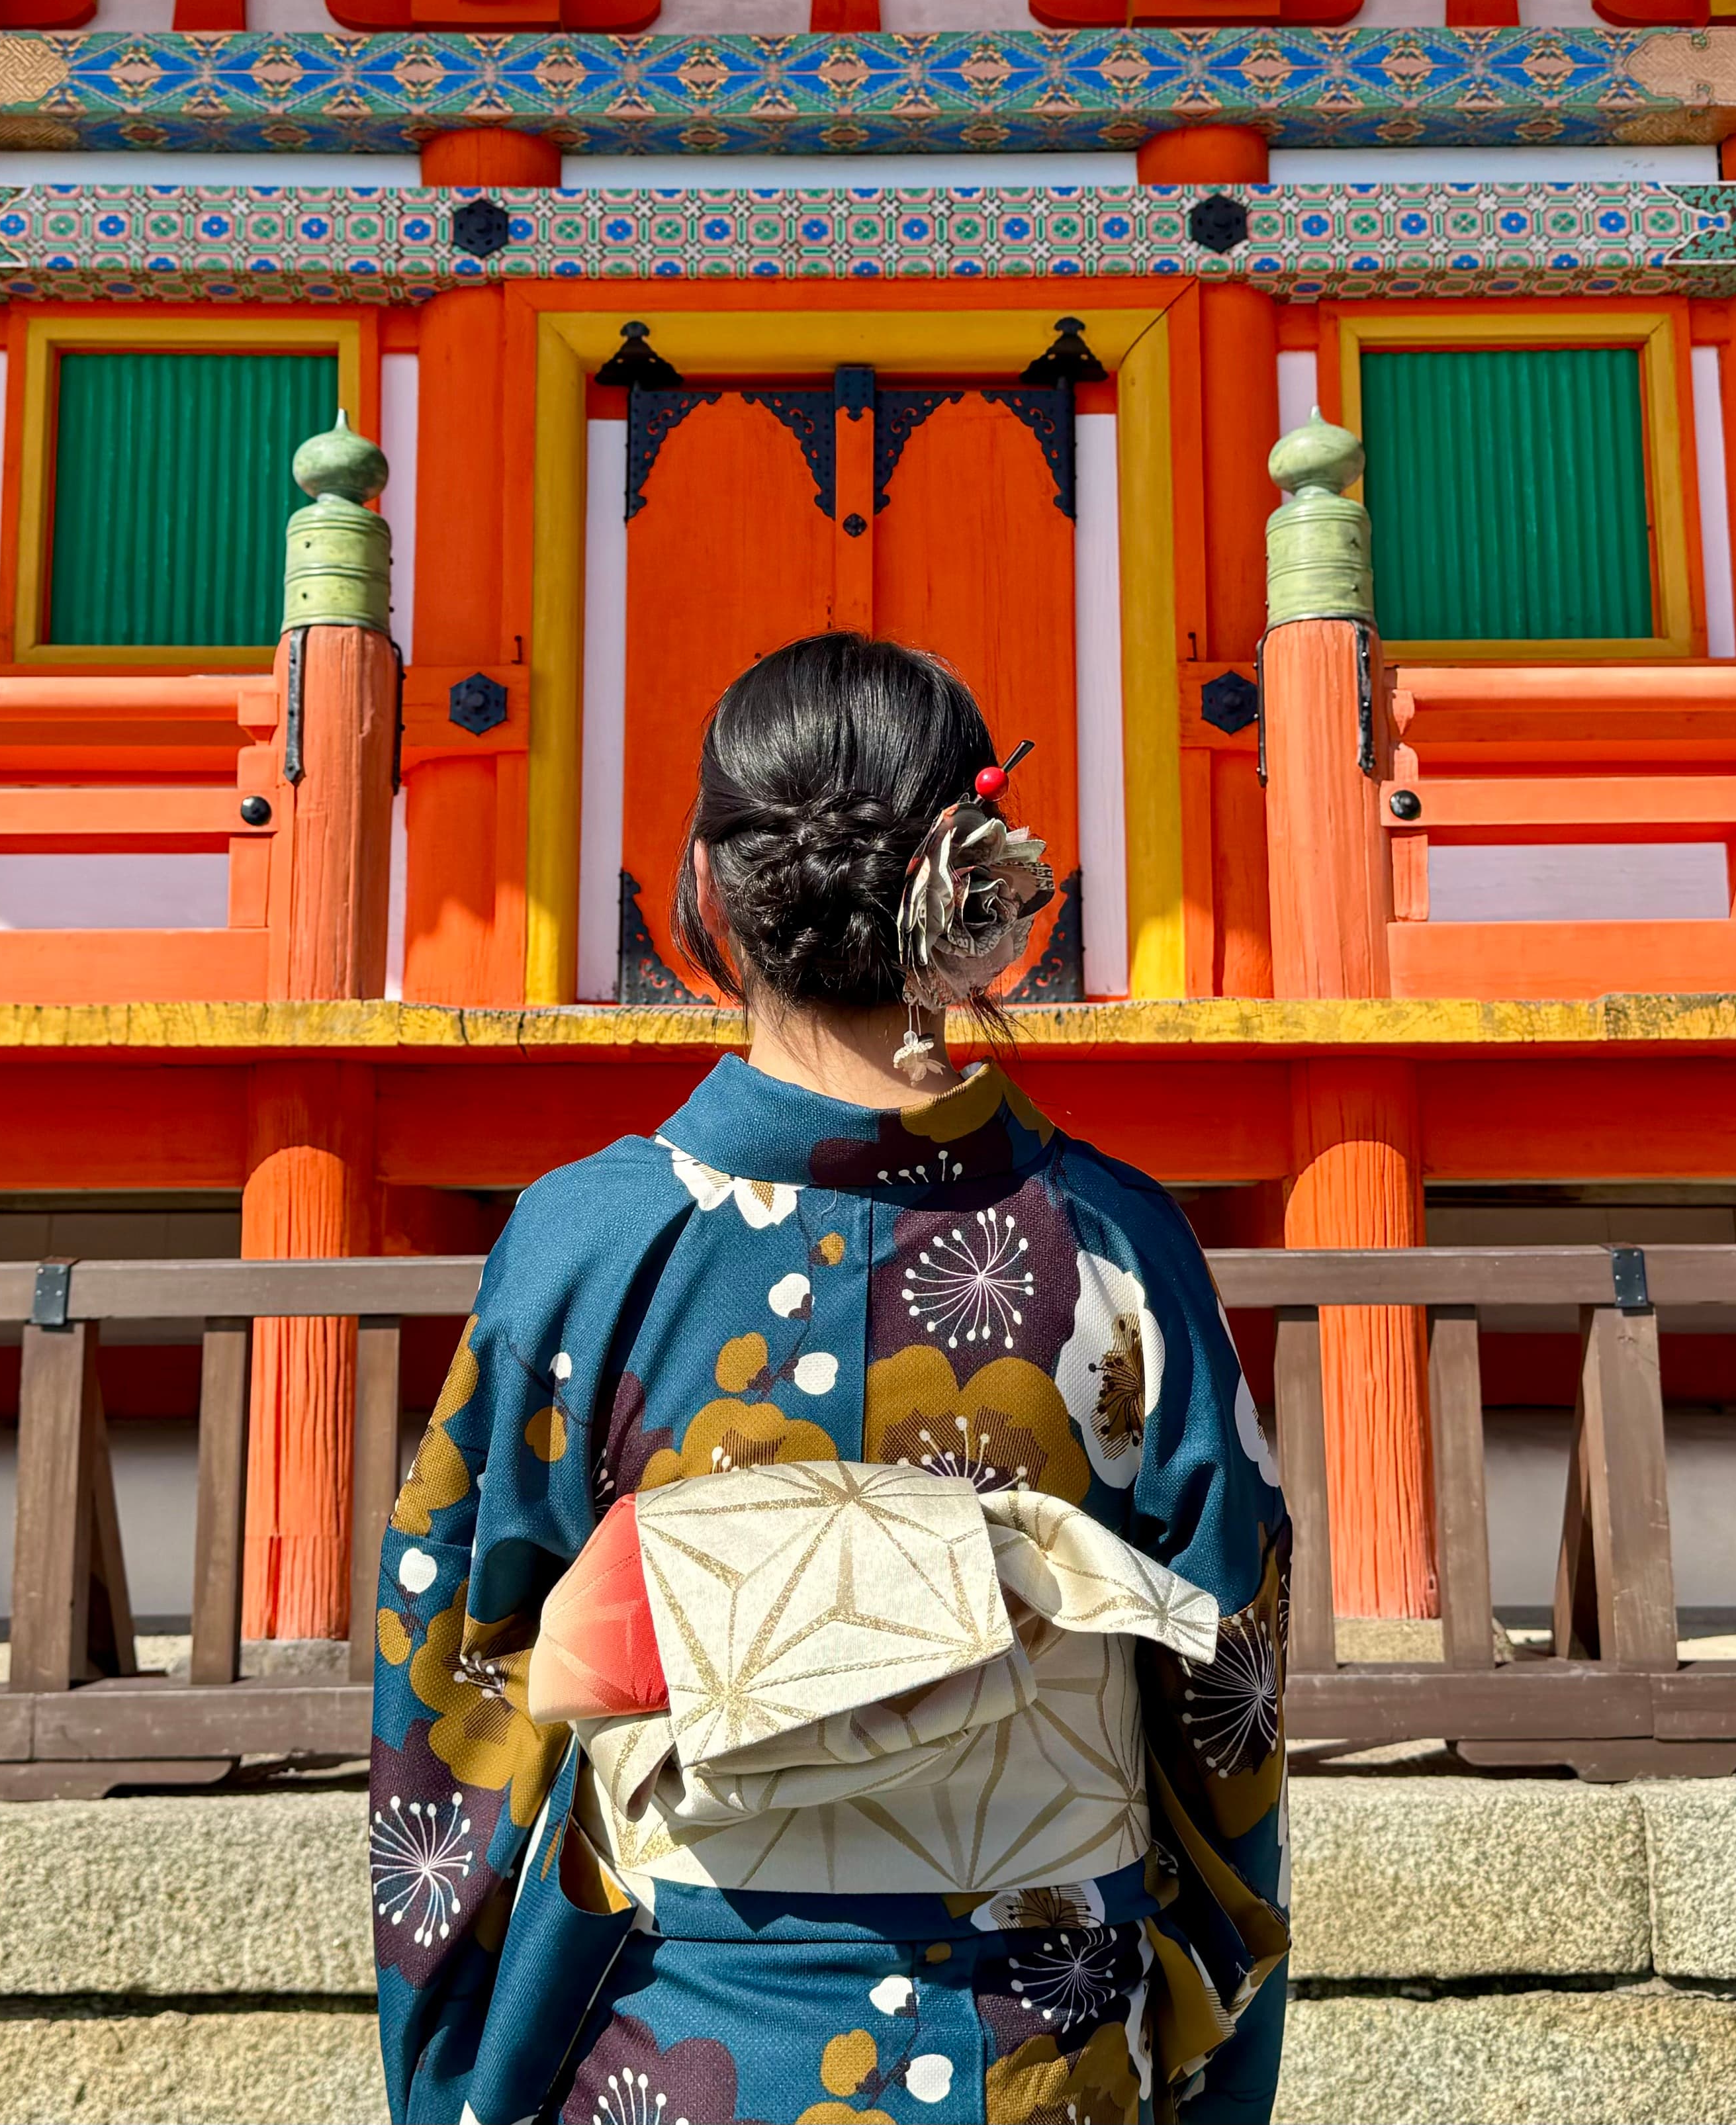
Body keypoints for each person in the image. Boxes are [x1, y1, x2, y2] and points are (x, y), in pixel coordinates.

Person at [371, 632, 1290, 2125]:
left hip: (675, 2053)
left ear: (704, 891)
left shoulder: (587, 1244)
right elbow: (1223, 1709)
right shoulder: (1121, 1247)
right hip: (1041, 2058)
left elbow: (460, 1679)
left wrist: (456, 2078)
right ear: (976, 885)